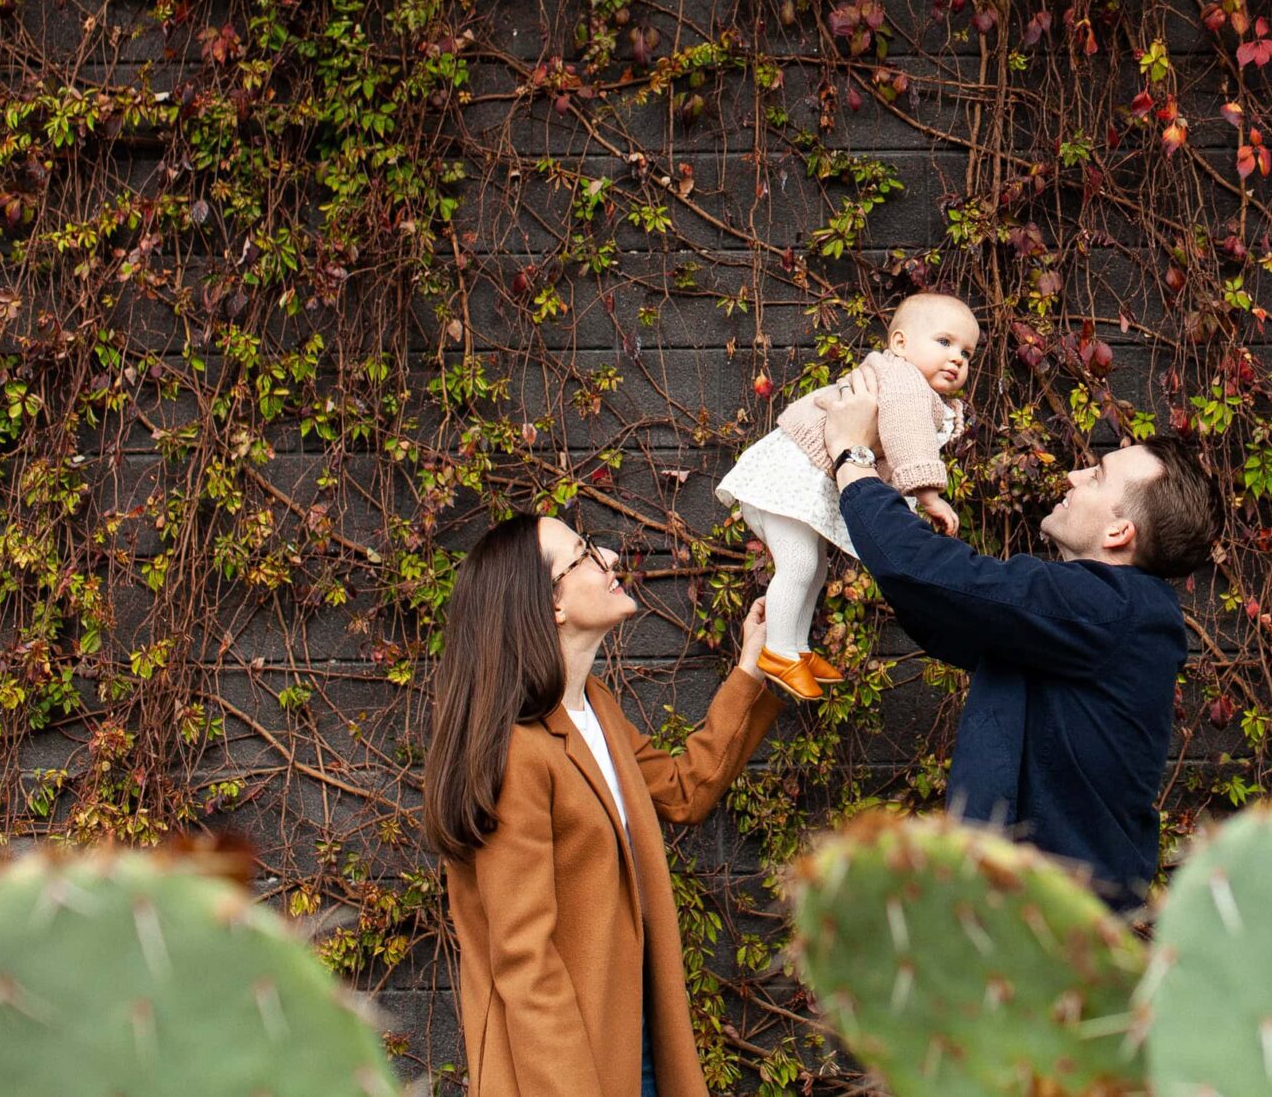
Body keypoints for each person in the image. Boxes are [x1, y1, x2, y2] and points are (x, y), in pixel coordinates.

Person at [818, 371, 1219, 908]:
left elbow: (925, 574)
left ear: (1119, 533)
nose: (1074, 475)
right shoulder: (1099, 615)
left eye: (1097, 477)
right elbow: (941, 605)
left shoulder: (1108, 607)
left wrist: (851, 457)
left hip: (1055, 933)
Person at [422, 512, 785, 1097]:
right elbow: (526, 963)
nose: (612, 557)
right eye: (585, 553)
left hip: (630, 1038)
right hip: (566, 1068)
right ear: (553, 606)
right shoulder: (517, 753)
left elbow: (683, 788)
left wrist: (750, 668)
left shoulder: (593, 707)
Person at [714, 293, 977, 701]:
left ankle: (796, 647)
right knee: (800, 563)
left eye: (966, 352)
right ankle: (779, 651)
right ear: (901, 344)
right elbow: (907, 440)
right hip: (790, 474)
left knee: (812, 566)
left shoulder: (907, 384)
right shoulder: (903, 379)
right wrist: (928, 497)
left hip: (802, 475)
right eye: (944, 342)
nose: (957, 358)